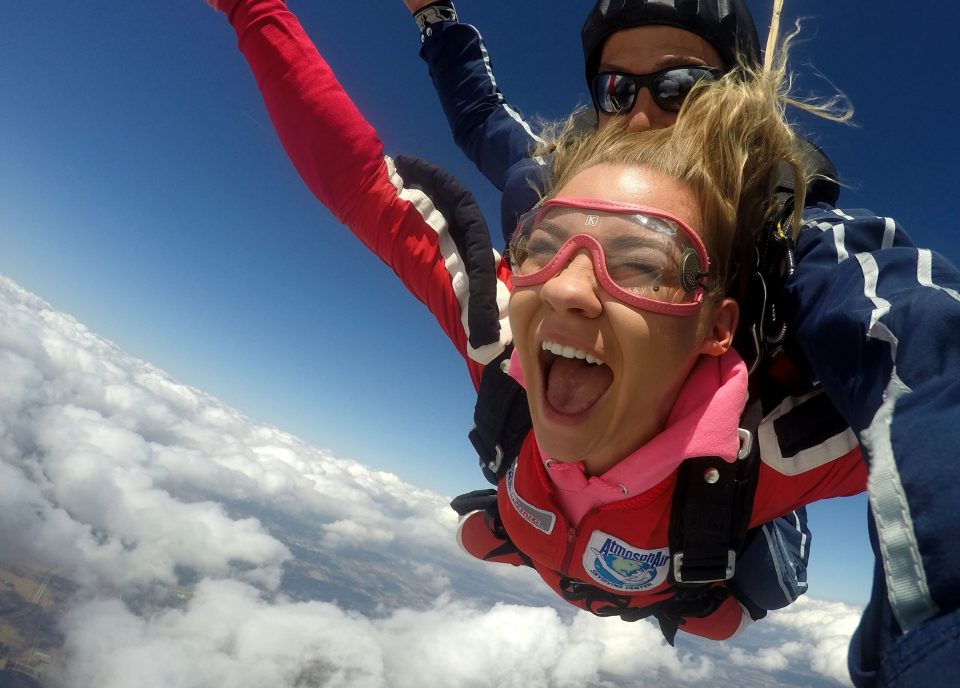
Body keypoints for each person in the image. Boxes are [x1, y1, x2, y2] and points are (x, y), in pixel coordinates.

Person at [202, 0, 867, 651]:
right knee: (498, 516)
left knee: (744, 601)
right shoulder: (515, 297)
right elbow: (405, 159)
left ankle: (572, 534)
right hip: (557, 528)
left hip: (700, 553)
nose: (571, 287)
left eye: (641, 263)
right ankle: (537, 524)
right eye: (545, 244)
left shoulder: (774, 416)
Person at [404, 0, 823, 625]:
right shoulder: (557, 180)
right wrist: (435, 18)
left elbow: (899, 329)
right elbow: (480, 119)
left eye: (682, 87)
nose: (643, 113)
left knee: (770, 582)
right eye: (617, 89)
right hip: (592, 411)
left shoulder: (779, 232)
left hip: (720, 460)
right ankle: (541, 525)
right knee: (519, 423)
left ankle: (694, 584)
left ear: (732, 104)